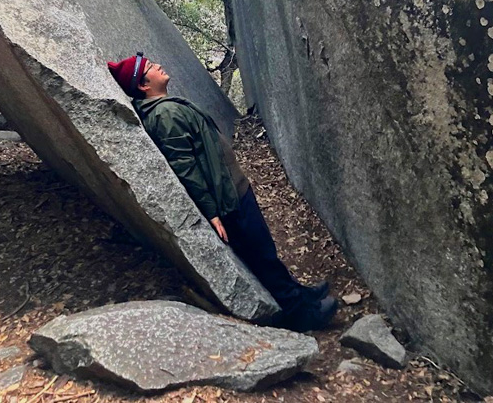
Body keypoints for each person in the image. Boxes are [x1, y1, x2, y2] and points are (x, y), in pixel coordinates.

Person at [107, 52, 338, 332]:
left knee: (265, 251)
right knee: (261, 256)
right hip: (228, 199)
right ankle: (302, 315)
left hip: (232, 189)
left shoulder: (164, 107)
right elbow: (185, 167)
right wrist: (211, 211)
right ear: (144, 85)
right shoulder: (164, 115)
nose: (159, 65)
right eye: (152, 68)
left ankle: (301, 294)